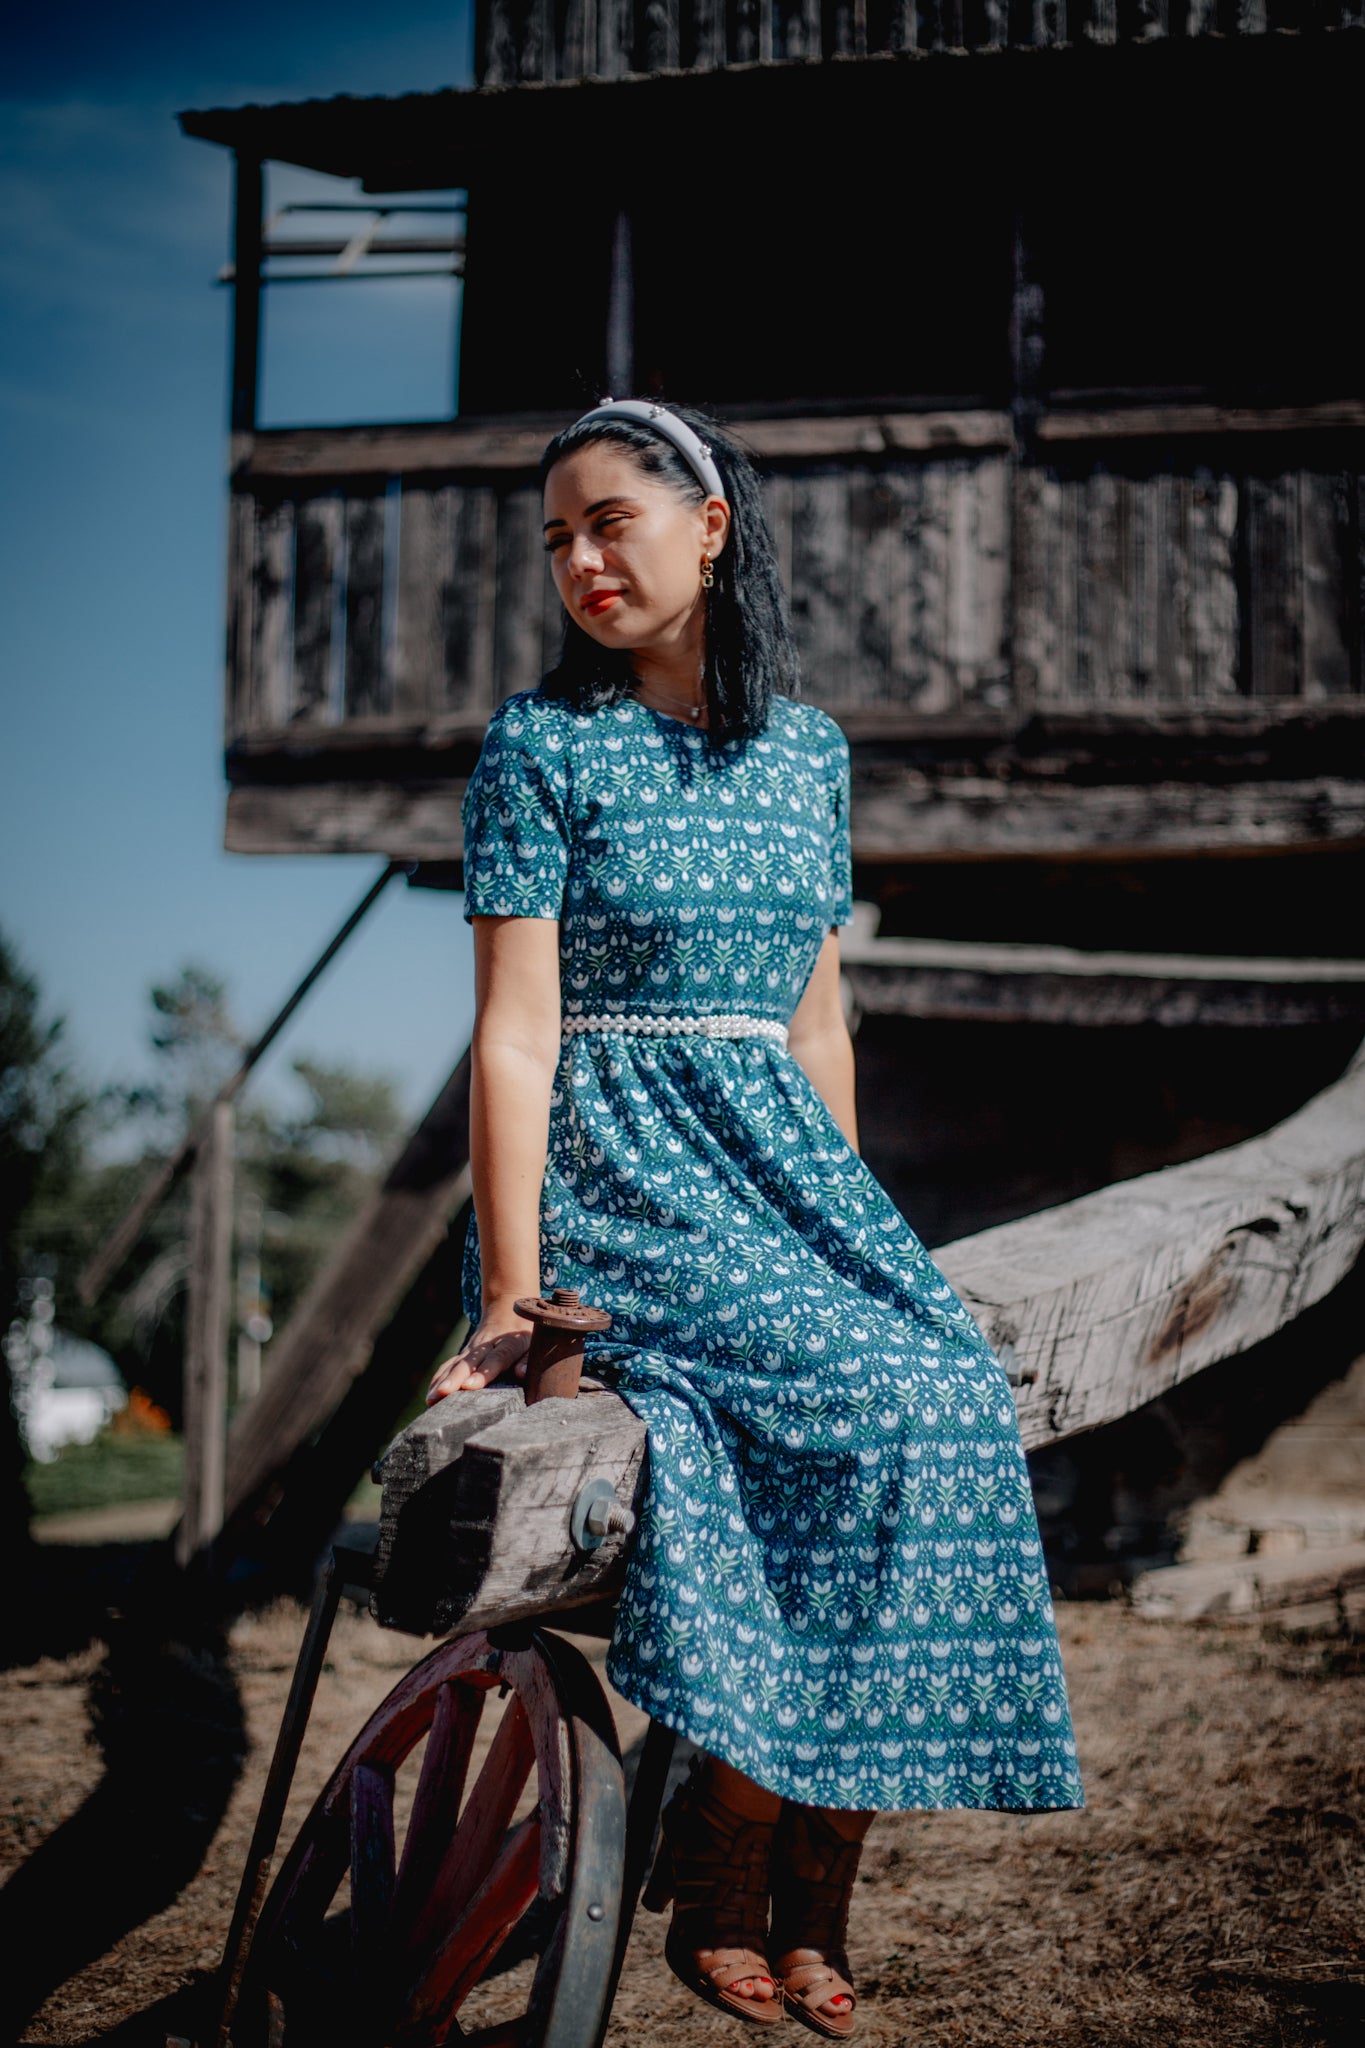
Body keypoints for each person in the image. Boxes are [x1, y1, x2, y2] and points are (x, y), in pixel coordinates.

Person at [427, 399, 1085, 2035]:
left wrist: (839, 1233)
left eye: (610, 523)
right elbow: (513, 1035)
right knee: (861, 1405)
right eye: (557, 539)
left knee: (948, 1397)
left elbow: (816, 1023)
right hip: (620, 1175)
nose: (581, 561)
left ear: (709, 526)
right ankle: (722, 1854)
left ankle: (817, 1871)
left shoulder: (808, 752)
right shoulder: (541, 747)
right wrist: (511, 1294)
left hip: (779, 1176)